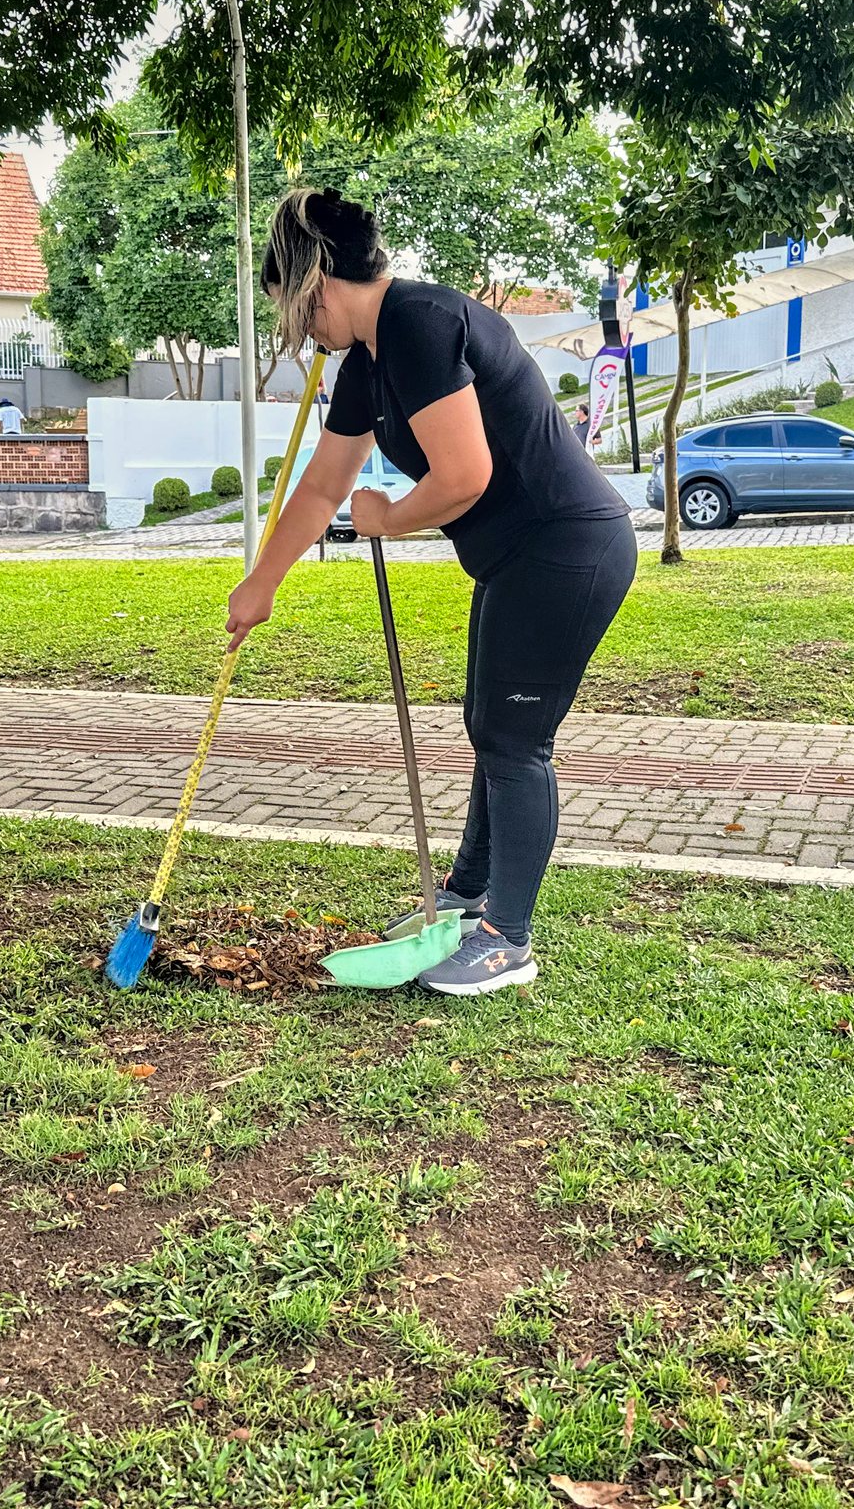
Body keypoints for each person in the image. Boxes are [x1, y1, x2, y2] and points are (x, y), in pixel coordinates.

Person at [228, 188, 635, 996]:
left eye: (294, 308)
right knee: (491, 726)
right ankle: (467, 898)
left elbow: (464, 477)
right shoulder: (368, 362)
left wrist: (386, 518)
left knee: (517, 742)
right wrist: (261, 582)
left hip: (565, 546)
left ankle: (506, 940)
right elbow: (318, 489)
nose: (302, 329)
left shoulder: (417, 321)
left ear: (316, 279)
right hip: (518, 557)